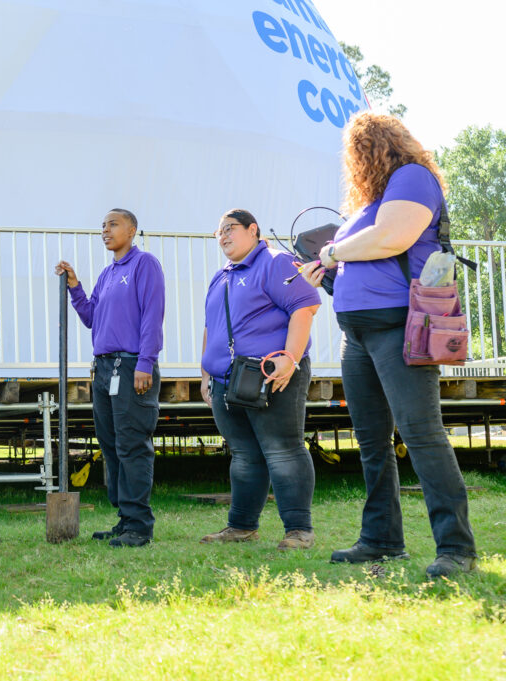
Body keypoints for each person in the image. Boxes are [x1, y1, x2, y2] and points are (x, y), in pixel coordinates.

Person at [302, 112, 478, 577]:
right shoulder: (369, 203)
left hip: (401, 326)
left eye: (358, 149)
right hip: (357, 333)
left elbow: (391, 238)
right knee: (372, 441)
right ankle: (382, 540)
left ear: (378, 146)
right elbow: (364, 257)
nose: (354, 160)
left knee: (421, 434)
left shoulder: (413, 178)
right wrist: (328, 273)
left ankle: (457, 548)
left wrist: (332, 252)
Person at [199, 210, 321, 550]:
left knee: (282, 451)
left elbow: (305, 306)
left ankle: (299, 530)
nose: (222, 236)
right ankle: (241, 527)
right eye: (218, 232)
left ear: (253, 230)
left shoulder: (275, 262)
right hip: (226, 380)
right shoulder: (220, 276)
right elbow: (212, 327)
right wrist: (206, 373)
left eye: (229, 229)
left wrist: (291, 358)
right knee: (243, 455)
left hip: (270, 375)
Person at [55, 209, 165, 548]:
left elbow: (152, 315)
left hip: (132, 366)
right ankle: (125, 518)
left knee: (132, 445)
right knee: (111, 444)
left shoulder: (144, 264)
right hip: (103, 369)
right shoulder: (106, 274)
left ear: (132, 229)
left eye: (113, 224)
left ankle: (140, 524)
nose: (105, 230)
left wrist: (146, 363)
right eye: (102, 225)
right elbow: (91, 317)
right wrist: (75, 286)